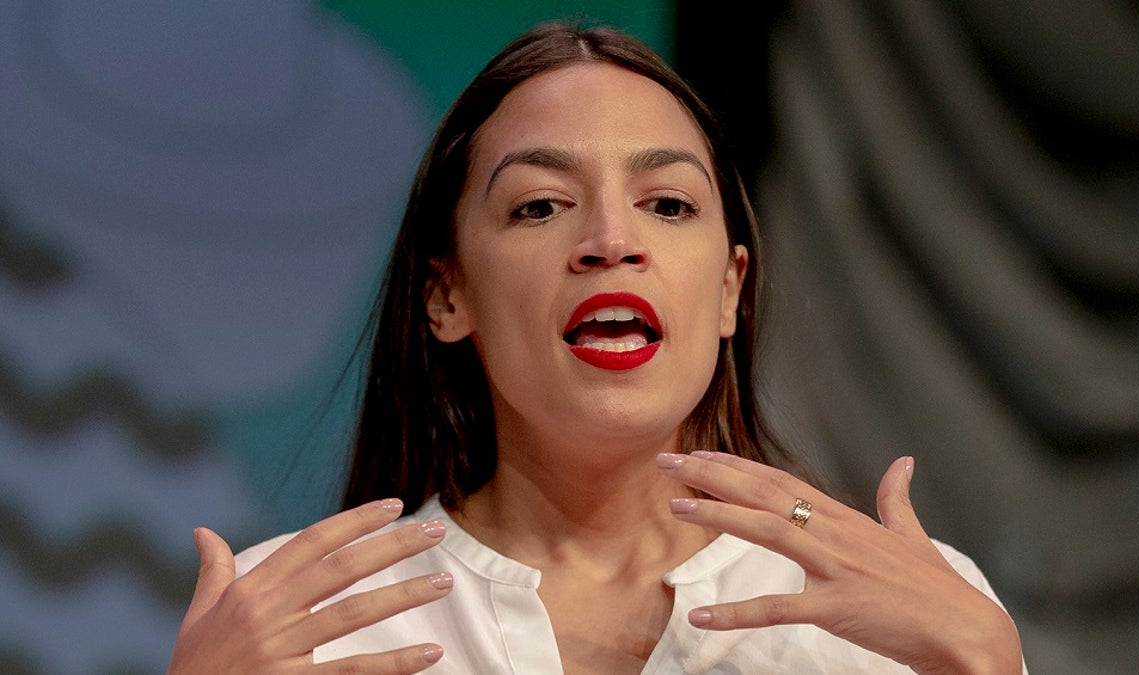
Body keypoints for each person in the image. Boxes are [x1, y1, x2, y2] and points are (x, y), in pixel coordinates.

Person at [167, 23, 1025, 675]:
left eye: (669, 203)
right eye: (540, 205)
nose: (611, 239)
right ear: (447, 294)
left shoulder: (901, 615)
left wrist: (988, 665)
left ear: (729, 288)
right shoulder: (299, 619)